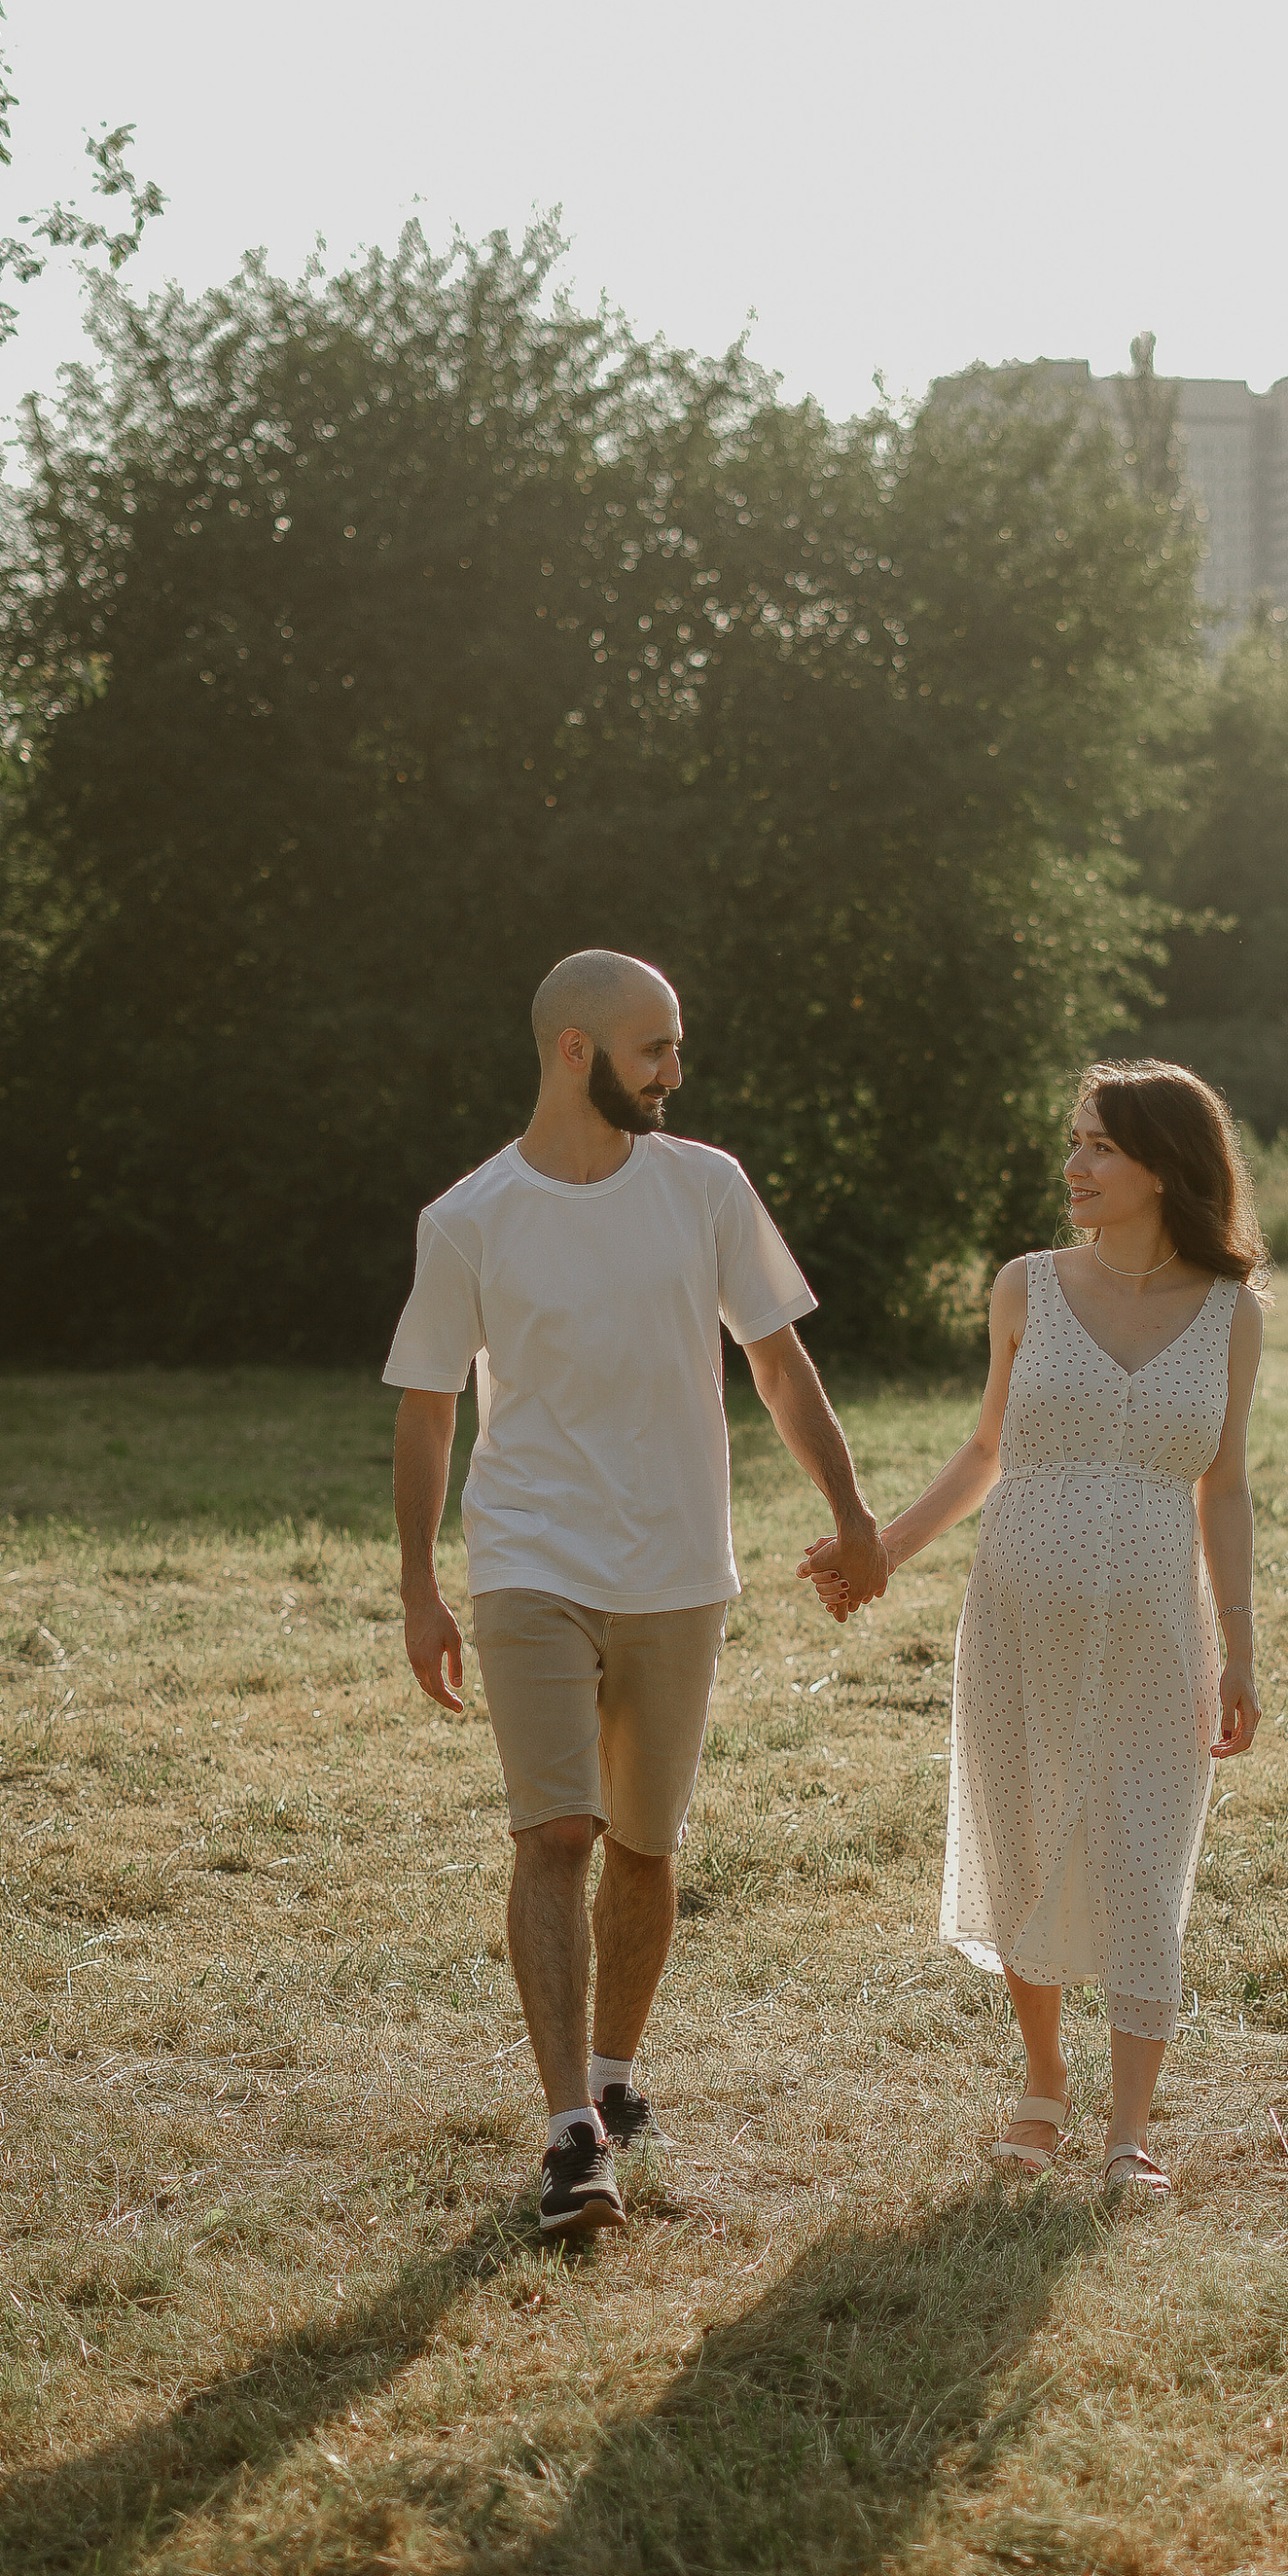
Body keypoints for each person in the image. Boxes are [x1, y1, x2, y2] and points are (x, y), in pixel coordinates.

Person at [387, 950, 887, 2240]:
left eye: (675, 1047)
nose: (674, 1070)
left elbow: (777, 1363)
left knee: (647, 1848)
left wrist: (851, 1512)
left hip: (676, 1565)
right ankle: (570, 2135)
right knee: (558, 1833)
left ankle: (612, 2075)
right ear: (576, 1050)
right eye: (653, 1047)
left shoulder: (705, 1186)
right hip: (530, 1561)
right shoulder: (470, 1218)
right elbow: (430, 1411)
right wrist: (421, 1589)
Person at [804, 1060, 1264, 2198]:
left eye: (1100, 1145)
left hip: (1160, 1630)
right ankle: (1044, 2076)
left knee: (1143, 1854)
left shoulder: (1230, 1314)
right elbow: (984, 1451)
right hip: (1015, 1618)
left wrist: (1243, 1650)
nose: (1074, 1165)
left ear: (1165, 1166)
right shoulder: (1027, 1287)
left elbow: (1226, 1486)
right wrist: (880, 1551)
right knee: (1025, 1835)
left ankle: (1129, 2130)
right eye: (1074, 1140)